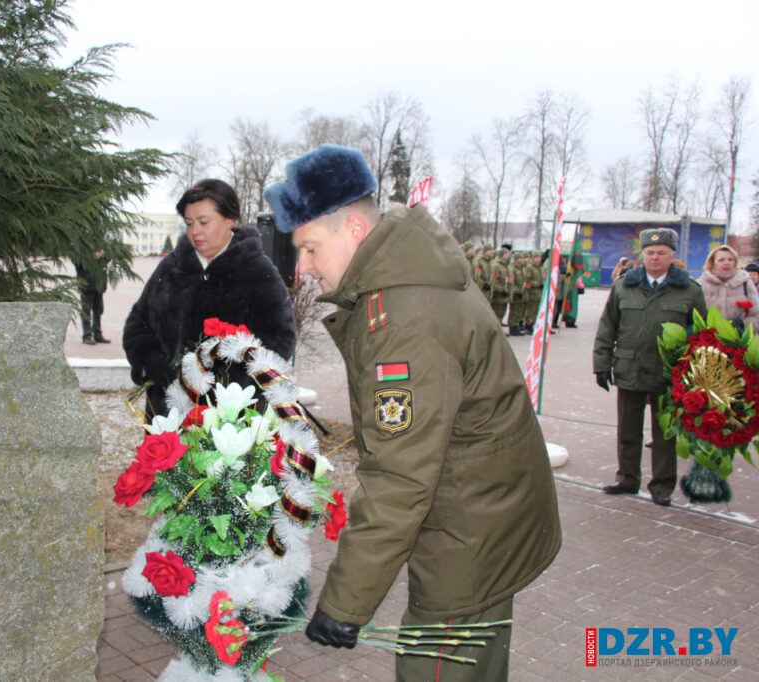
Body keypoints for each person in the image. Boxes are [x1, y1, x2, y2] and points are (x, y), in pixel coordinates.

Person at [264, 145, 561, 681]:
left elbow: (400, 475)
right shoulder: (401, 274)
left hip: (469, 530)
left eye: (309, 248)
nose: (302, 268)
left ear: (354, 229)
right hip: (483, 508)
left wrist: (345, 602)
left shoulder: (403, 318)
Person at [122, 179, 297, 419]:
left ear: (230, 219)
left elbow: (281, 339)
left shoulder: (257, 272)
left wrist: (228, 376)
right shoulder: (171, 268)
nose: (195, 231)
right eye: (189, 223)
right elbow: (137, 323)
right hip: (168, 413)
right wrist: (149, 361)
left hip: (229, 419)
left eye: (204, 222)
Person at [593, 228, 707, 507]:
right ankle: (627, 479)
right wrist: (601, 364)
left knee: (664, 434)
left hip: (669, 374)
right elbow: (607, 327)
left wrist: (696, 375)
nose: (655, 258)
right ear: (642, 255)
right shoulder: (623, 287)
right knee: (628, 431)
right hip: (630, 368)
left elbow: (702, 335)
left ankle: (662, 486)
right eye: (650, 253)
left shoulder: (690, 291)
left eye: (661, 253)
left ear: (672, 256)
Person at [698, 245, 759, 334]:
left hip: (739, 340)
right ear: (712, 262)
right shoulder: (701, 284)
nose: (726, 263)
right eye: (721, 260)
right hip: (710, 340)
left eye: (730, 259)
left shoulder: (745, 283)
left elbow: (756, 315)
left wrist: (742, 325)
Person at [77, 245, 110, 345]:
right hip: (87, 284)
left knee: (99, 310)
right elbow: (79, 262)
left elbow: (107, 259)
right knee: (86, 311)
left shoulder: (99, 243)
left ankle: (98, 334)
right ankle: (87, 335)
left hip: (99, 285)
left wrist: (107, 251)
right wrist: (95, 256)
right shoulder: (79, 245)